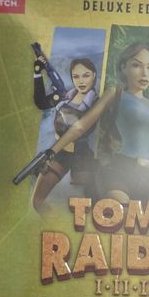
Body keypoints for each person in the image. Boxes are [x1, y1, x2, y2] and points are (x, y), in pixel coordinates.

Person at [38, 41, 149, 205]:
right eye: (136, 65)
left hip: (148, 175)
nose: (145, 73)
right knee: (121, 211)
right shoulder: (115, 94)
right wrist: (51, 152)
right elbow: (81, 126)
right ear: (124, 67)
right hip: (118, 170)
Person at [31, 57, 99, 211]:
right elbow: (41, 102)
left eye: (86, 75)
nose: (81, 81)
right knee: (37, 202)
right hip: (59, 153)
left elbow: (82, 128)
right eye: (76, 76)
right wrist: (37, 73)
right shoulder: (66, 96)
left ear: (94, 75)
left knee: (85, 206)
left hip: (82, 156)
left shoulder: (97, 102)